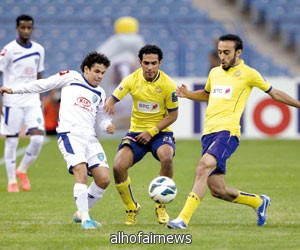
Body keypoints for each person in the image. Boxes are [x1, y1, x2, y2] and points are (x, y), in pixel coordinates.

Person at [167, 34, 300, 230]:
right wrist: (187, 95)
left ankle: (182, 219)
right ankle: (258, 202)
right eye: (220, 52)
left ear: (238, 52)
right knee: (218, 190)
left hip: (228, 133)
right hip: (209, 134)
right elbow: (207, 94)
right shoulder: (215, 73)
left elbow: (274, 93)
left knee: (203, 167)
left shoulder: (249, 73)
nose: (222, 56)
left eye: (227, 52)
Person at [0, 51, 116, 230]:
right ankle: (86, 220)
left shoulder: (100, 92)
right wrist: (14, 90)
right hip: (70, 135)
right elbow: (43, 84)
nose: (100, 76)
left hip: (90, 138)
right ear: (86, 69)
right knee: (81, 172)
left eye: (103, 73)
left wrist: (107, 125)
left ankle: (80, 213)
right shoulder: (70, 77)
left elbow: (101, 117)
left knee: (104, 179)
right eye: (97, 71)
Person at [104, 44, 178, 225]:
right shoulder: (131, 79)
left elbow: (173, 115)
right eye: (146, 63)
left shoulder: (168, 84)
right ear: (140, 63)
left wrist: (152, 131)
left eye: (154, 63)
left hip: (159, 132)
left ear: (160, 63)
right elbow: (112, 98)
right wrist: (110, 105)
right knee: (118, 167)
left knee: (167, 159)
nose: (150, 67)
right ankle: (131, 207)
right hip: (136, 132)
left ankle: (161, 206)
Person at [0, 14, 45, 192]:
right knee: (12, 141)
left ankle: (22, 170)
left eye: (29, 28)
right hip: (13, 101)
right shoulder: (8, 50)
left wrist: (40, 98)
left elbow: (39, 75)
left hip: (32, 100)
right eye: (23, 28)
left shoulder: (39, 49)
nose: (26, 31)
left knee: (38, 139)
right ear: (17, 28)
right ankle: (11, 180)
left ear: (32, 29)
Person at [97, 16, 145, 130]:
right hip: (132, 92)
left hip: (114, 90)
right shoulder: (138, 47)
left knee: (112, 120)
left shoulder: (111, 48)